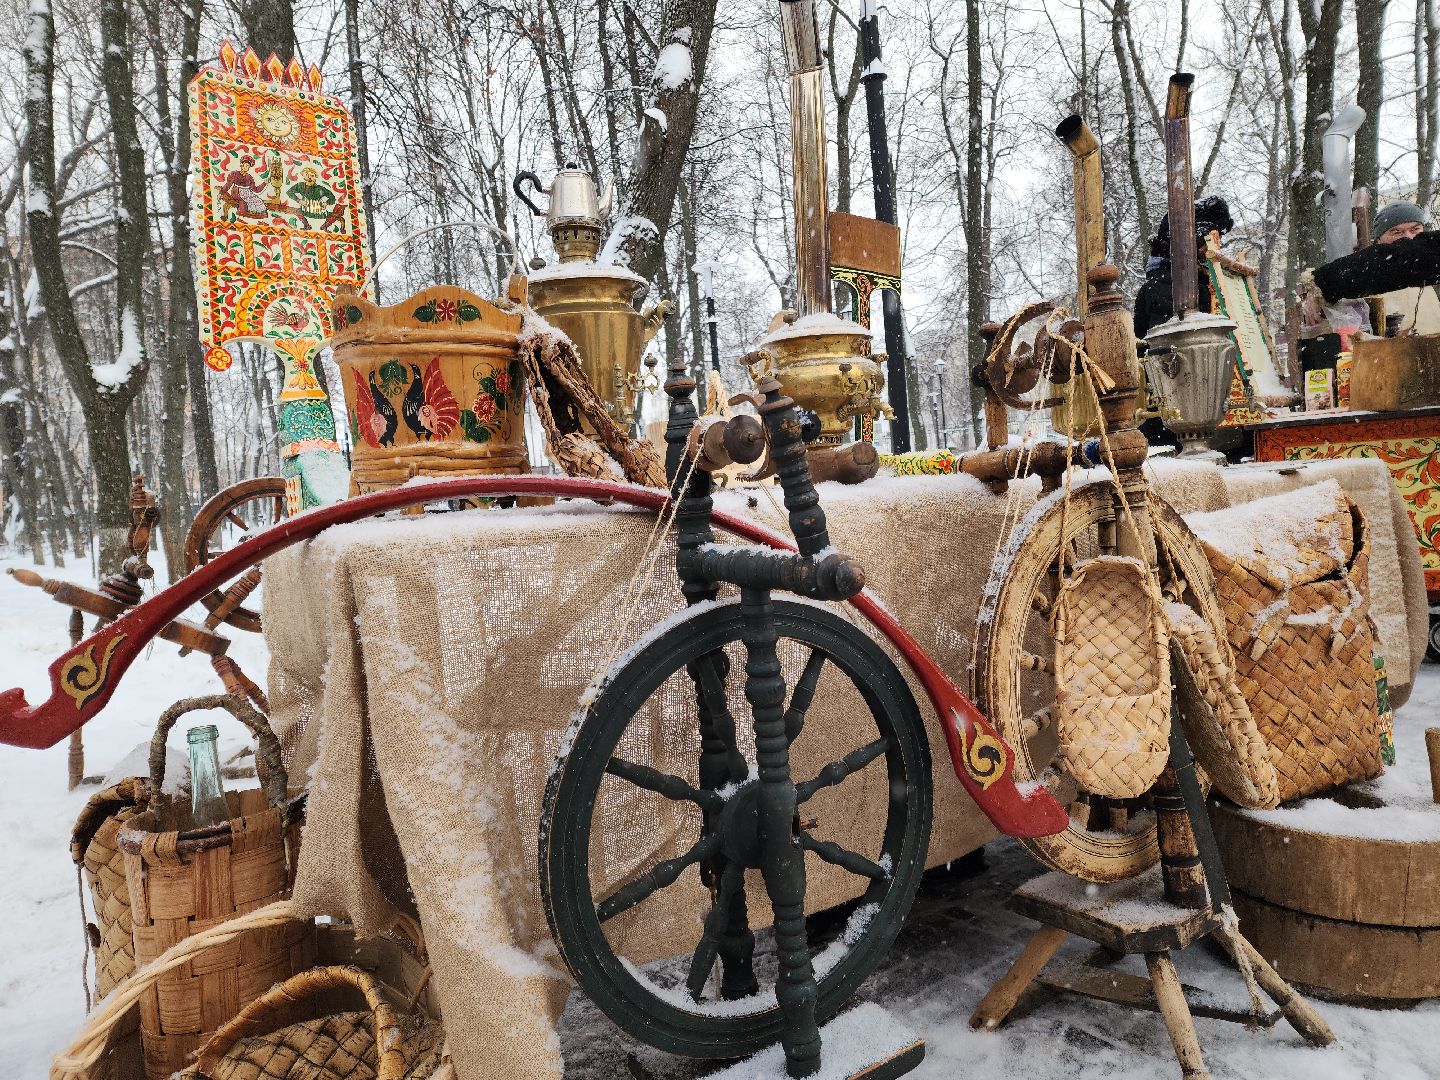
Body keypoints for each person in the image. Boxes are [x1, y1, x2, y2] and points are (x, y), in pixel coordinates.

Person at [1307, 200, 1440, 334]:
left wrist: (1323, 283)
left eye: (1415, 229)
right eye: (1396, 232)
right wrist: (1322, 286)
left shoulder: (1428, 270)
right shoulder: (1359, 281)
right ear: (1378, 241)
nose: (1408, 238)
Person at [1132, 195, 1235, 340]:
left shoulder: (1201, 283)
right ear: (1195, 239)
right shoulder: (1170, 288)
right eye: (1213, 238)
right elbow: (1173, 347)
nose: (1216, 247)